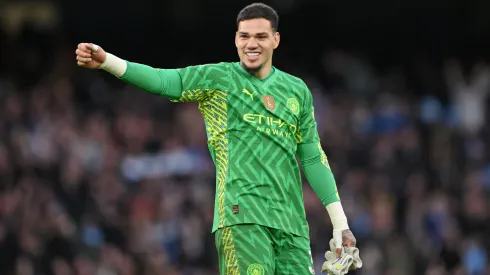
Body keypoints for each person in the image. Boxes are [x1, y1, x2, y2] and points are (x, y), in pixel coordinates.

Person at [75, 3, 357, 274]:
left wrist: (340, 223)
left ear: (276, 40)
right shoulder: (218, 79)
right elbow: (163, 81)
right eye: (244, 36)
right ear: (236, 39)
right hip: (242, 217)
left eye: (260, 36)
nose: (251, 44)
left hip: (292, 225)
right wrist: (107, 62)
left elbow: (312, 158)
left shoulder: (297, 91)